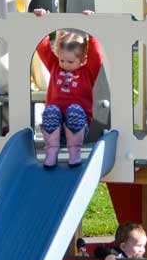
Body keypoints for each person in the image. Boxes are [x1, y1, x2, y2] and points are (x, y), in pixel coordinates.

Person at [34, 28, 104, 168]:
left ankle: (74, 152)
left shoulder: (88, 72)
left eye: (70, 62)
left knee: (74, 110)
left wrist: (91, 29)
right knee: (51, 110)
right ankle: (52, 152)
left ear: (83, 59)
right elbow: (42, 48)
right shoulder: (55, 67)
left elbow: (96, 55)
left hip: (78, 127)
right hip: (55, 130)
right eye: (62, 60)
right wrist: (42, 22)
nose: (65, 65)